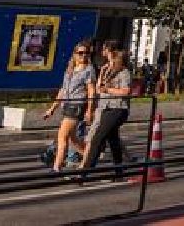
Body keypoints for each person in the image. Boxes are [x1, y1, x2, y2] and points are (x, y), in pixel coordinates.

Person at [43, 41, 95, 173]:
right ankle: (90, 157)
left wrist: (90, 110)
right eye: (80, 53)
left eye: (86, 53)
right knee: (73, 139)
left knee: (62, 135)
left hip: (77, 105)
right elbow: (63, 90)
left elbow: (91, 91)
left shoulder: (88, 70)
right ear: (75, 54)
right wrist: (52, 108)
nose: (83, 56)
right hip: (66, 105)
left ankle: (57, 167)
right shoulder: (70, 70)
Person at [82, 48, 132, 176]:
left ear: (118, 61)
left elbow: (126, 91)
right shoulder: (108, 72)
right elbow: (99, 88)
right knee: (113, 139)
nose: (108, 62)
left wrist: (108, 90)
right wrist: (102, 72)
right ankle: (119, 169)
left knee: (98, 137)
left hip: (118, 108)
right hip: (105, 108)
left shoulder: (124, 73)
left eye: (111, 60)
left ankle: (85, 171)